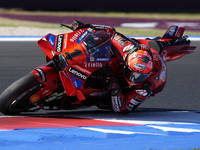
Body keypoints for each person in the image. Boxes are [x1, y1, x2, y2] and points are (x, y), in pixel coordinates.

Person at [71, 20, 167, 113]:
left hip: (122, 88)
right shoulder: (126, 48)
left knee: (105, 104)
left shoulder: (145, 87)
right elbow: (110, 31)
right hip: (119, 63)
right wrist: (87, 26)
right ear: (127, 63)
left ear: (148, 74)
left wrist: (115, 89)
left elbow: (124, 108)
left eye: (139, 76)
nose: (134, 78)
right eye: (133, 74)